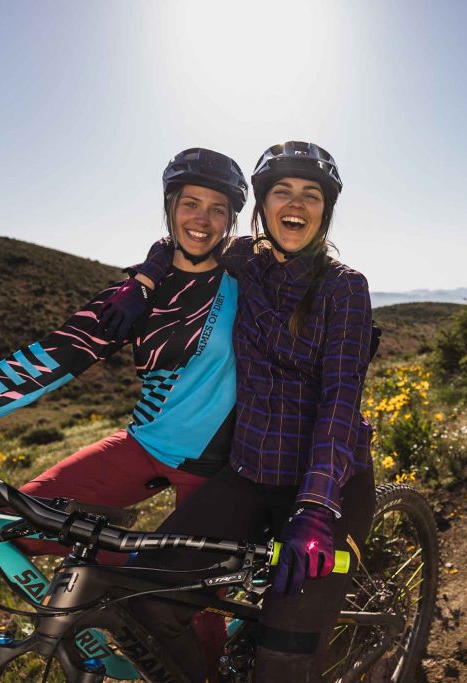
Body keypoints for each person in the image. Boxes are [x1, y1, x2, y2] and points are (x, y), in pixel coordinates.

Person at [0, 147, 248, 678]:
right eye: (189, 203)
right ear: (169, 207)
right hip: (144, 442)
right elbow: (46, 359)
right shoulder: (133, 295)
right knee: (2, 528)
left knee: (183, 609)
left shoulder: (248, 279)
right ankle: (111, 604)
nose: (201, 219)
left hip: (219, 464)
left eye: (217, 208)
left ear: (232, 219)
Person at [120, 141, 377, 682]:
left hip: (326, 485)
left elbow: (339, 401)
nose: (296, 203)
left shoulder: (344, 287)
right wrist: (143, 277)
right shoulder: (242, 260)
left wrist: (315, 508)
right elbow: (183, 243)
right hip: (249, 473)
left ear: (325, 209)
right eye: (282, 191)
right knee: (143, 600)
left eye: (311, 195)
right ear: (261, 205)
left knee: (282, 659)